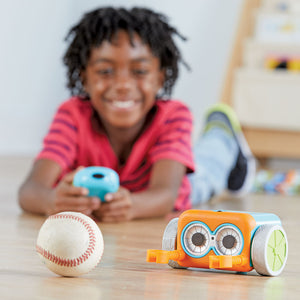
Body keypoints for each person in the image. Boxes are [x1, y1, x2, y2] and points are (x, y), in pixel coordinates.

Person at [18, 7, 255, 222]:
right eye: (105, 71)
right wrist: (53, 201)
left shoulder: (174, 116)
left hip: (177, 190)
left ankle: (223, 134)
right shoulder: (72, 116)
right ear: (84, 78)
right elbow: (30, 191)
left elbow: (165, 195)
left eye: (139, 71)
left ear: (160, 78)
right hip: (137, 196)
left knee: (209, 171)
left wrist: (131, 206)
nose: (122, 84)